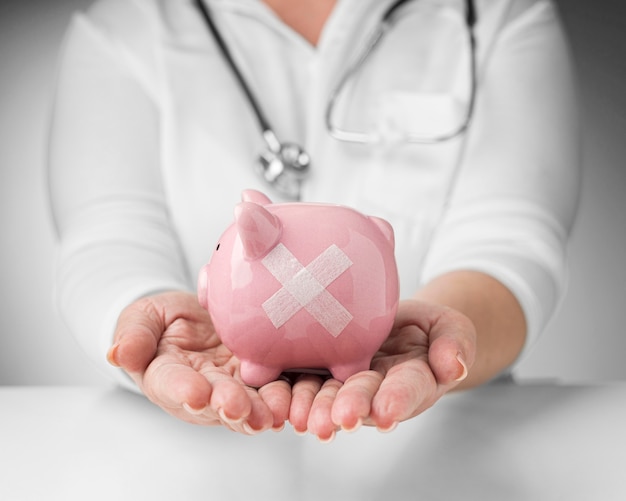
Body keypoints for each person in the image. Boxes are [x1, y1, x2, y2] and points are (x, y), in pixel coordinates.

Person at [48, 0, 580, 442]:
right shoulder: (123, 26)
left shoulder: (498, 13)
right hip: (177, 458)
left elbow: (510, 238)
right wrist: (137, 310)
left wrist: (445, 333)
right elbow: (107, 239)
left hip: (453, 449)